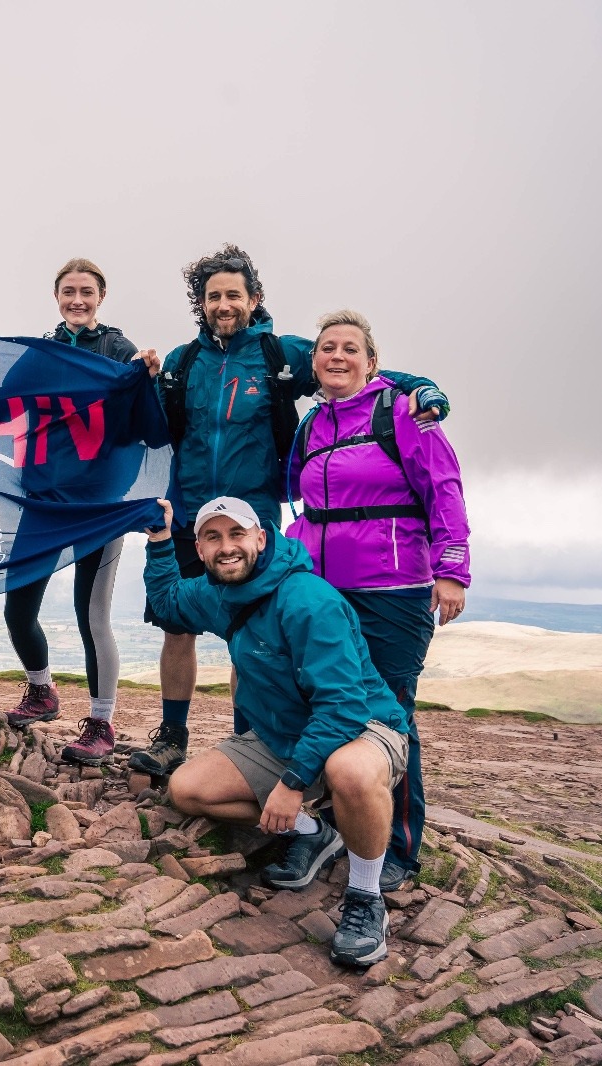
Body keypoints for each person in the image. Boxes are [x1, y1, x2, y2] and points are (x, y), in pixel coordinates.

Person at [129, 245, 450, 781]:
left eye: (234, 294)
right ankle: (172, 737)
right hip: (190, 514)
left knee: (250, 634)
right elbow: (156, 426)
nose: (224, 304)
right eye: (214, 296)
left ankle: (246, 738)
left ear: (253, 299)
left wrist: (418, 386)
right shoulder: (185, 362)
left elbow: (347, 365)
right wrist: (145, 381)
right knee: (175, 627)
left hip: (253, 518)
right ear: (201, 304)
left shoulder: (281, 353)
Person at [146, 495, 411, 968]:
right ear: (201, 550)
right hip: (283, 734)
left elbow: (343, 705)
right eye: (213, 537)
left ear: (262, 539)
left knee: (347, 770)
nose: (227, 547)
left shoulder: (308, 600)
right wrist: (161, 539)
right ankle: (315, 832)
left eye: (237, 534)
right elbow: (167, 603)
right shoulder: (215, 593)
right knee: (187, 790)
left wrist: (291, 784)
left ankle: (366, 896)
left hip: (364, 728)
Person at [287, 310, 470, 890]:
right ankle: (331, 825)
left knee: (388, 712)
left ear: (371, 362)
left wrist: (452, 570)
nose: (335, 356)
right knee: (321, 704)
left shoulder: (404, 412)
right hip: (323, 591)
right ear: (313, 363)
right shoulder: (311, 424)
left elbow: (444, 488)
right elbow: (303, 501)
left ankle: (399, 844)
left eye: (349, 348)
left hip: (394, 590)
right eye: (325, 349)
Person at [0, 258, 158, 766]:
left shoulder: (117, 350)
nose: (78, 299)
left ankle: (101, 722)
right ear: (57, 297)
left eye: (87, 292)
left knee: (92, 617)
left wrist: (147, 376)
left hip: (97, 507)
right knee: (17, 608)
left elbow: (145, 423)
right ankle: (42, 691)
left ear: (101, 297)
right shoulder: (42, 354)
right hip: (43, 501)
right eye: (69, 291)